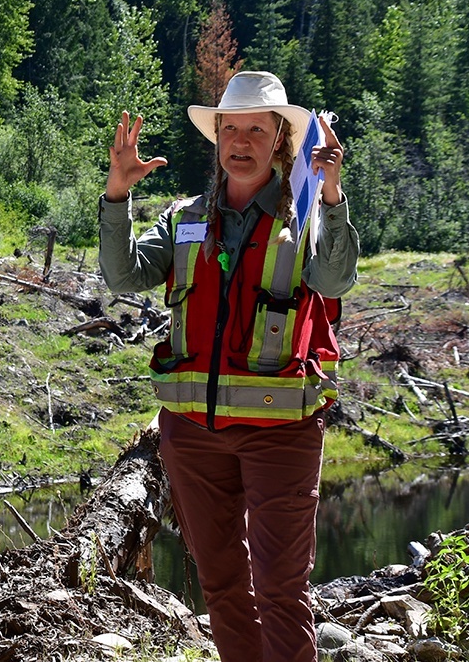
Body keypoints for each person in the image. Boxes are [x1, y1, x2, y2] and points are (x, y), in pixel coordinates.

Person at [98, 71, 359, 662]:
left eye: (256, 130)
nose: (241, 141)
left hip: (281, 435)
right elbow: (123, 276)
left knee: (280, 591)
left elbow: (336, 279)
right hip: (191, 435)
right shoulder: (185, 217)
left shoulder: (306, 213)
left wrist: (333, 196)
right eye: (230, 128)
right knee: (221, 588)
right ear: (217, 137)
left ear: (279, 142)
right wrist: (117, 195)